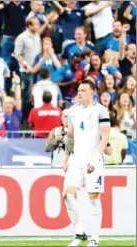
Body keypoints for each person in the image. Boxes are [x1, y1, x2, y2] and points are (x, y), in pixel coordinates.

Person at [63, 80, 110, 247]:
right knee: (67, 194)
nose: (79, 92)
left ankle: (95, 238)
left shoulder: (101, 111)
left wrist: (96, 159)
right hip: (76, 158)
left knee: (93, 197)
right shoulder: (72, 111)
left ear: (92, 92)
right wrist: (66, 157)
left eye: (83, 90)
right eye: (79, 90)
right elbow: (70, 136)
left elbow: (105, 137)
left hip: (93, 158)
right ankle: (79, 233)